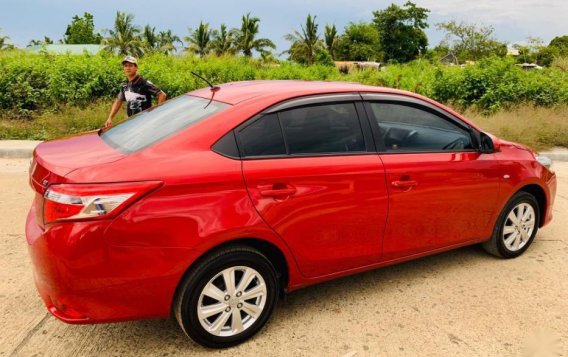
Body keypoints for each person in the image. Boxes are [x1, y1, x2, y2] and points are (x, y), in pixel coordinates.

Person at [105, 56, 167, 128]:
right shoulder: (125, 86)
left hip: (145, 122)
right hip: (131, 122)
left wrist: (157, 113)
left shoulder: (144, 83)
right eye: (125, 66)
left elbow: (162, 95)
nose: (128, 68)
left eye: (130, 65)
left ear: (136, 68)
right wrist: (110, 118)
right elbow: (118, 101)